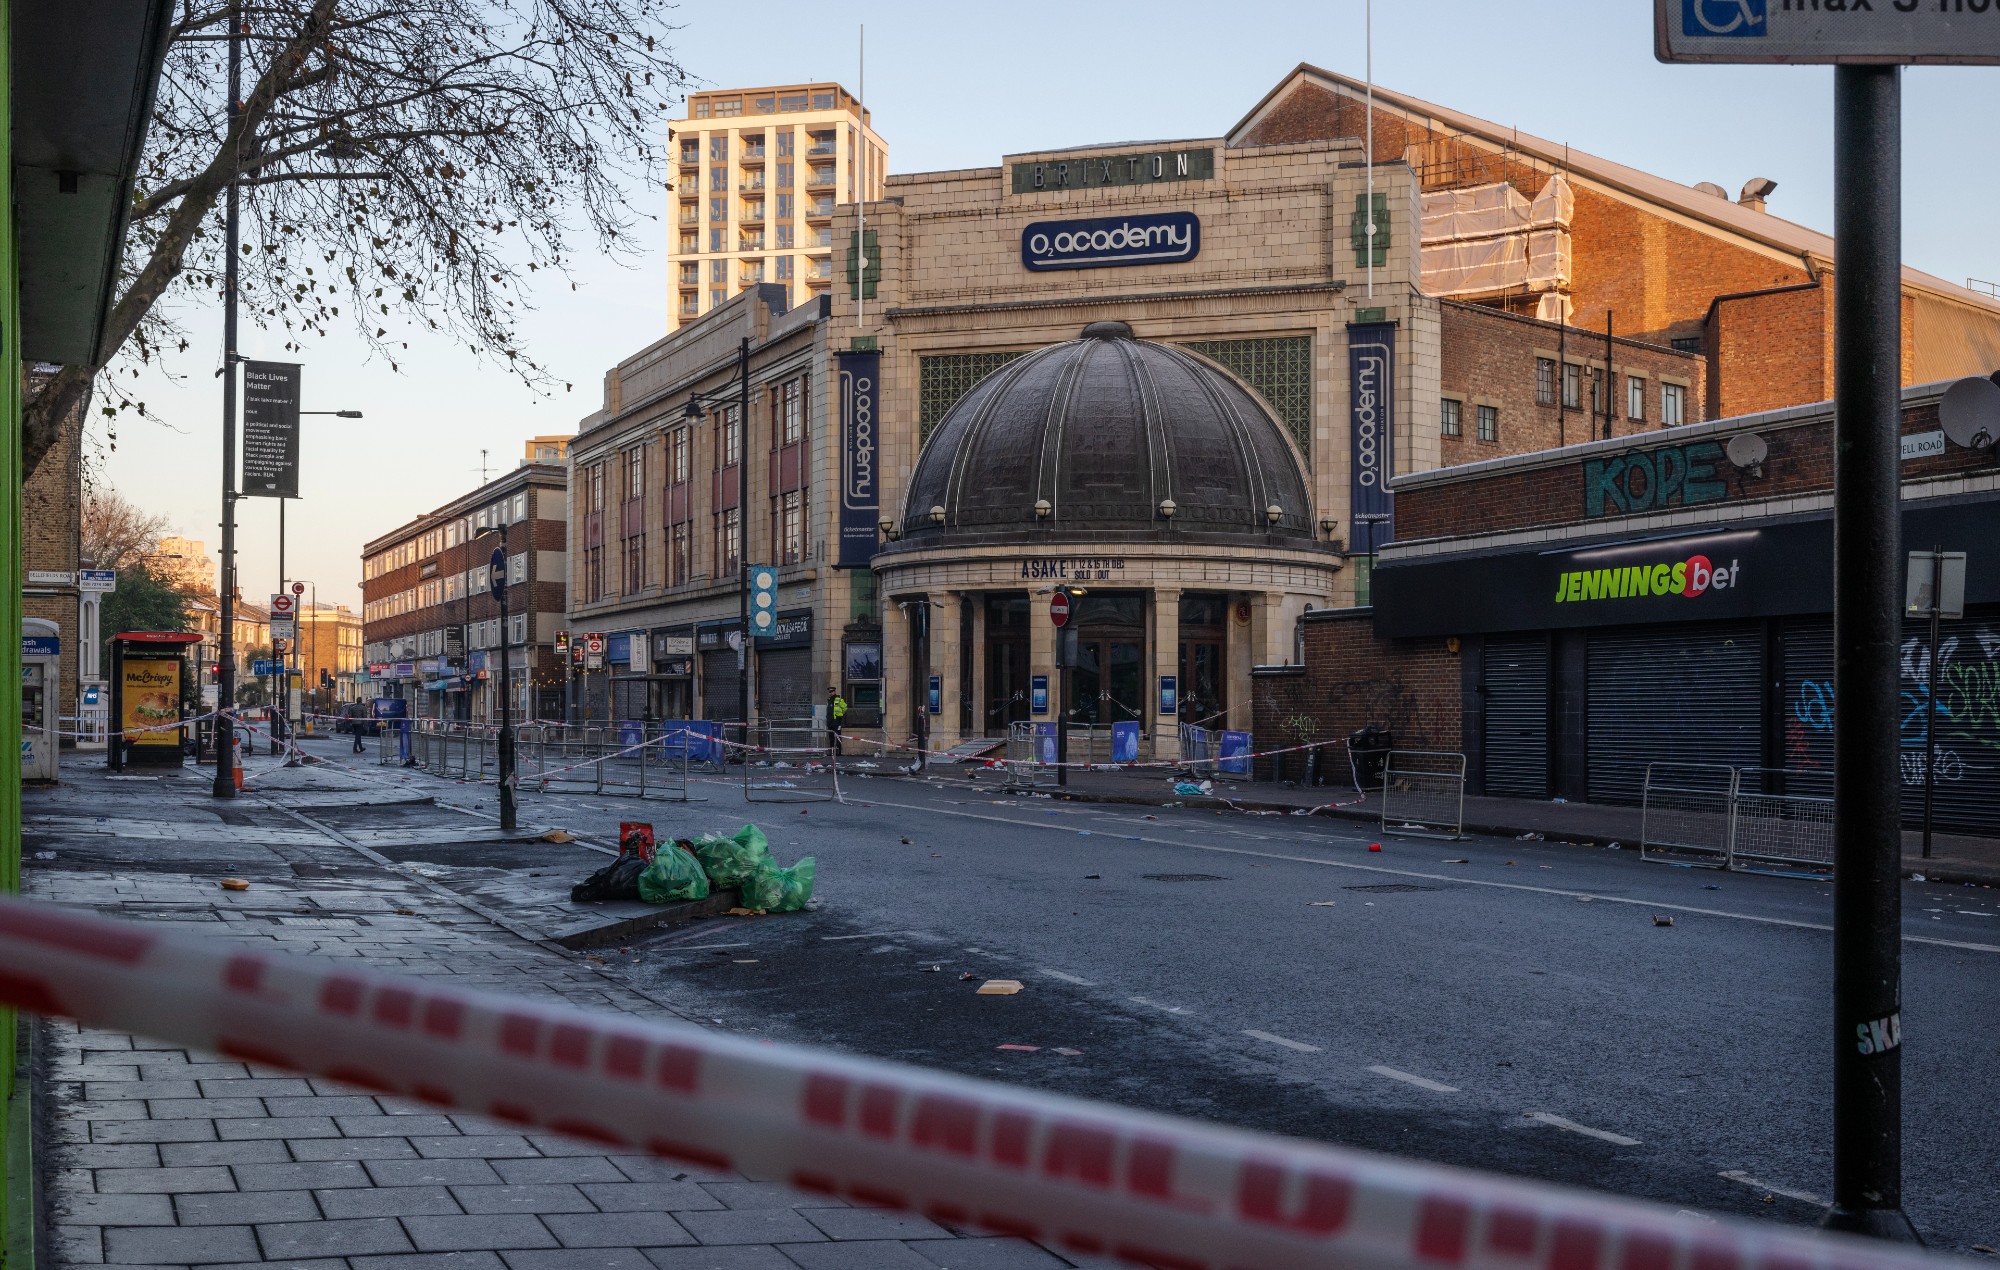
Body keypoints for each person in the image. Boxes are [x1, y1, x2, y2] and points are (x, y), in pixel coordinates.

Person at [826, 686, 847, 758]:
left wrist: (840, 716)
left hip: (836, 721)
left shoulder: (839, 700)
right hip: (830, 722)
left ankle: (839, 752)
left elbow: (845, 708)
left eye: (832, 692)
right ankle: (832, 752)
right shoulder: (829, 700)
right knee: (831, 737)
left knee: (837, 736)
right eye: (829, 692)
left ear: (834, 691)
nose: (830, 693)